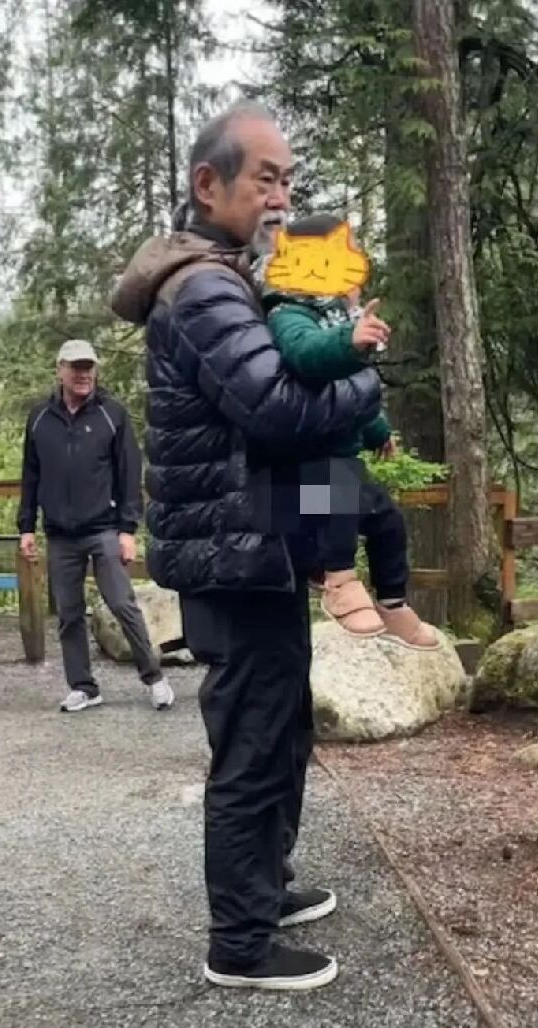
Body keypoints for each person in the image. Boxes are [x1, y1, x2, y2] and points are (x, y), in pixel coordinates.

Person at [112, 102, 381, 991]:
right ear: (208, 184)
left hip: (257, 538)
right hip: (234, 549)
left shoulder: (230, 277)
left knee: (282, 723)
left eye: (288, 180)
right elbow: (274, 409)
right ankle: (240, 944)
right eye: (265, 177)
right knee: (255, 740)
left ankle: (269, 887)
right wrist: (366, 377)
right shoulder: (204, 289)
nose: (280, 195)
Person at [254, 212, 439, 649]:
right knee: (336, 505)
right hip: (310, 464)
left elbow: (348, 389)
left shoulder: (333, 312)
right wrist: (348, 342)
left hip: (343, 454)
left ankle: (393, 601)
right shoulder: (288, 312)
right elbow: (306, 355)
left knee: (387, 521)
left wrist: (378, 430)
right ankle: (338, 582)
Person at [17, 339, 174, 714]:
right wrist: (26, 527)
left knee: (123, 604)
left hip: (103, 528)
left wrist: (127, 530)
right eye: (76, 367)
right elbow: (30, 475)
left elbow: (128, 472)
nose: (84, 374)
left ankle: (154, 678)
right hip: (59, 534)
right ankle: (84, 687)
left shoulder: (111, 414)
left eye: (89, 367)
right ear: (60, 370)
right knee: (69, 614)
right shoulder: (40, 417)